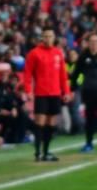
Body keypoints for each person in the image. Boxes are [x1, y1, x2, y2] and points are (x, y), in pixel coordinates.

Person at [23, 29, 70, 161]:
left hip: (55, 94)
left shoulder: (58, 53)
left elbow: (63, 75)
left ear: (54, 37)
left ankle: (46, 151)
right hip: (41, 93)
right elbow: (27, 74)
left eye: (50, 36)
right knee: (40, 123)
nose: (48, 38)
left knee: (51, 123)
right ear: (42, 38)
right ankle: (38, 152)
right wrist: (28, 91)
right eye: (46, 36)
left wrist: (66, 91)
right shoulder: (34, 53)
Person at [70, 32, 97, 152]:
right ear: (88, 43)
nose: (94, 44)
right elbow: (76, 74)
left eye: (96, 41)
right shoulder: (83, 57)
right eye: (92, 42)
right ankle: (89, 144)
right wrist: (72, 89)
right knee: (89, 118)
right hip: (88, 92)